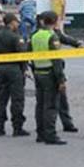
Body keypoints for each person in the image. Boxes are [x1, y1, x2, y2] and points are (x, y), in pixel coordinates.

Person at [29, 11, 67, 145]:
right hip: (50, 75)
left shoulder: (35, 35)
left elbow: (28, 55)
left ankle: (40, 133)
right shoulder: (52, 36)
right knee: (50, 106)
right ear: (55, 22)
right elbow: (56, 61)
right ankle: (50, 135)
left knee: (40, 105)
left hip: (38, 73)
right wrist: (61, 80)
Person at [0, 14, 30, 137]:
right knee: (17, 99)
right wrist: (24, 69)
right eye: (17, 22)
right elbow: (22, 55)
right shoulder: (15, 37)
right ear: (12, 23)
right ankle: (17, 127)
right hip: (14, 69)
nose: (18, 24)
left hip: (1, 69)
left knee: (2, 99)